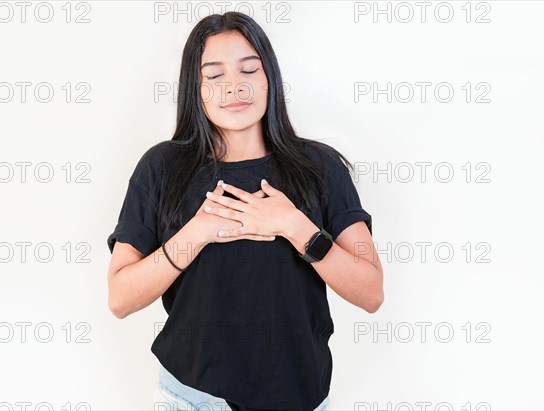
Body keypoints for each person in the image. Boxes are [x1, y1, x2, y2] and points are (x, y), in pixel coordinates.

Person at [106, 11, 384, 411]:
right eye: (214, 76)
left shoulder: (320, 167)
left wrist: (296, 227)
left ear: (269, 78)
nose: (233, 87)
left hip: (299, 398)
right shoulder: (162, 167)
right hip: (193, 397)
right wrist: (197, 232)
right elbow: (120, 298)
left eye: (249, 70)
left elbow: (371, 292)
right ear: (194, 90)